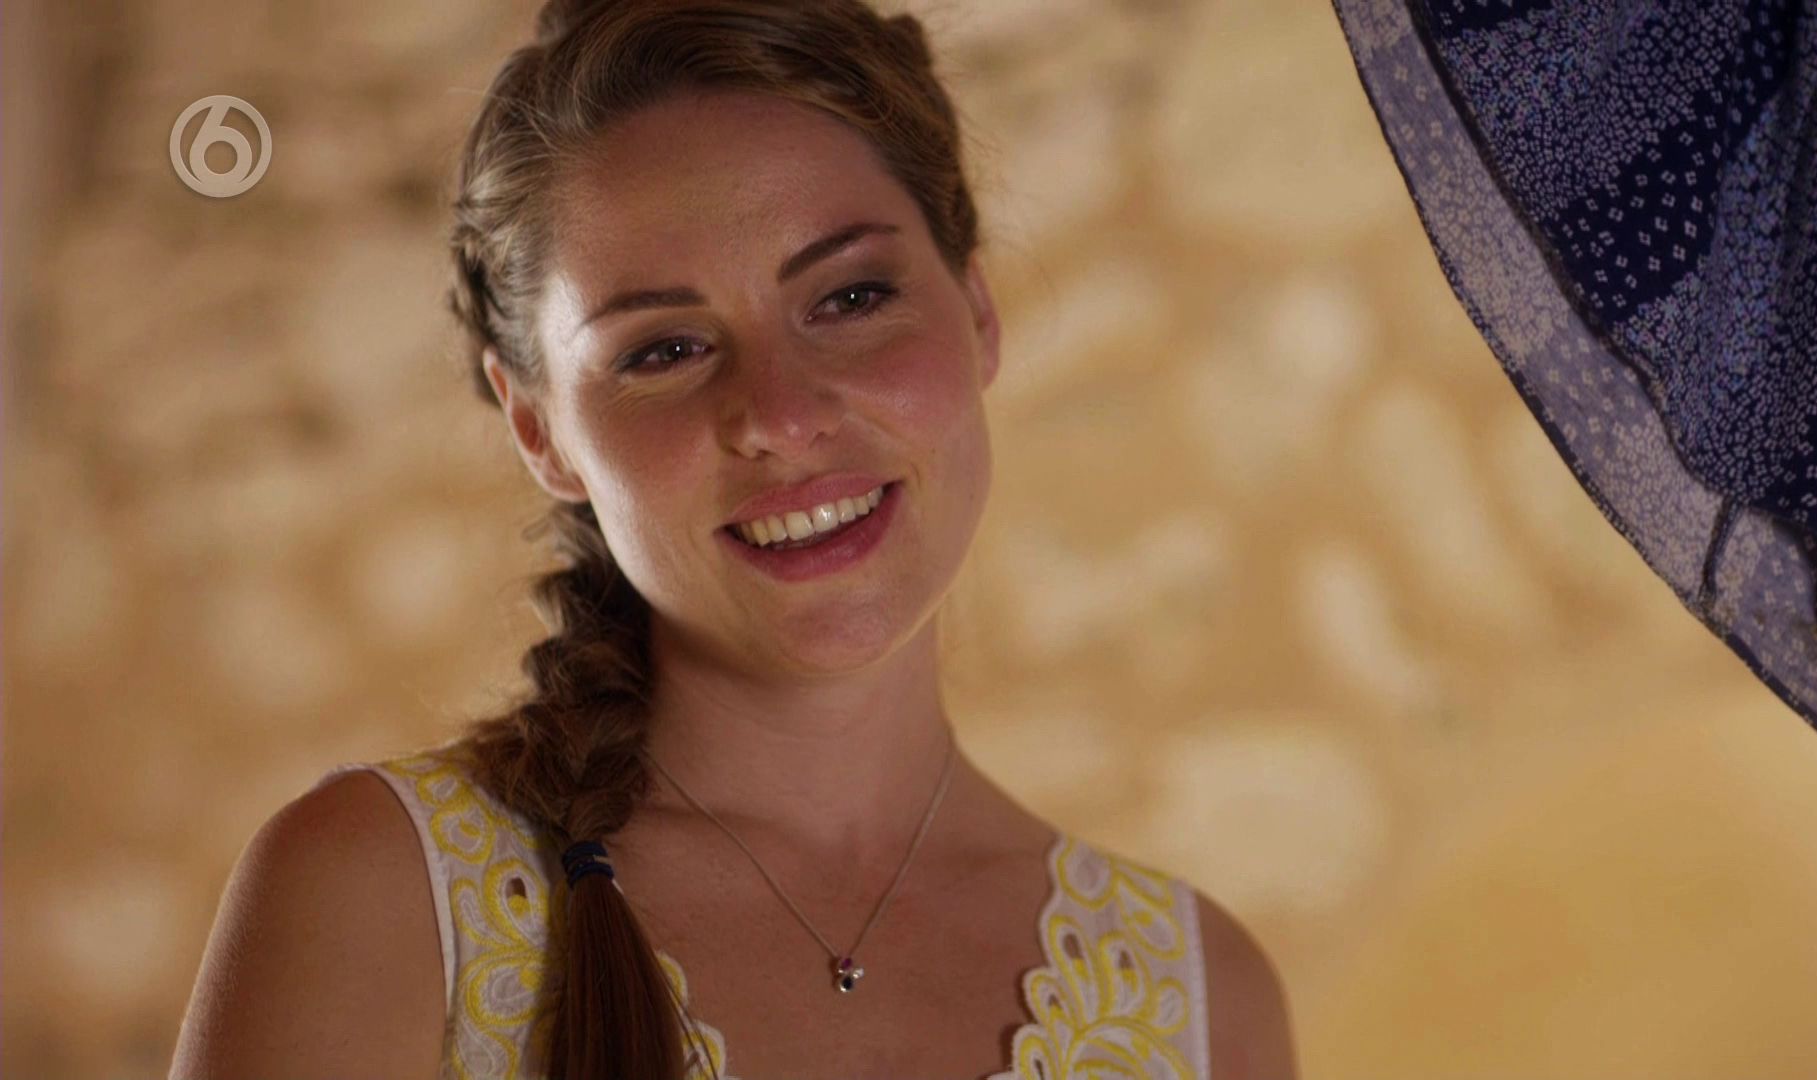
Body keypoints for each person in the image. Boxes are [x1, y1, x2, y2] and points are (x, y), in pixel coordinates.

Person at [168, 1, 1297, 1078]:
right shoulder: (375, 900)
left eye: (850, 298)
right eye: (663, 351)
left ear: (978, 310)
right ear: (539, 431)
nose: (782, 418)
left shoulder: (1203, 1004)